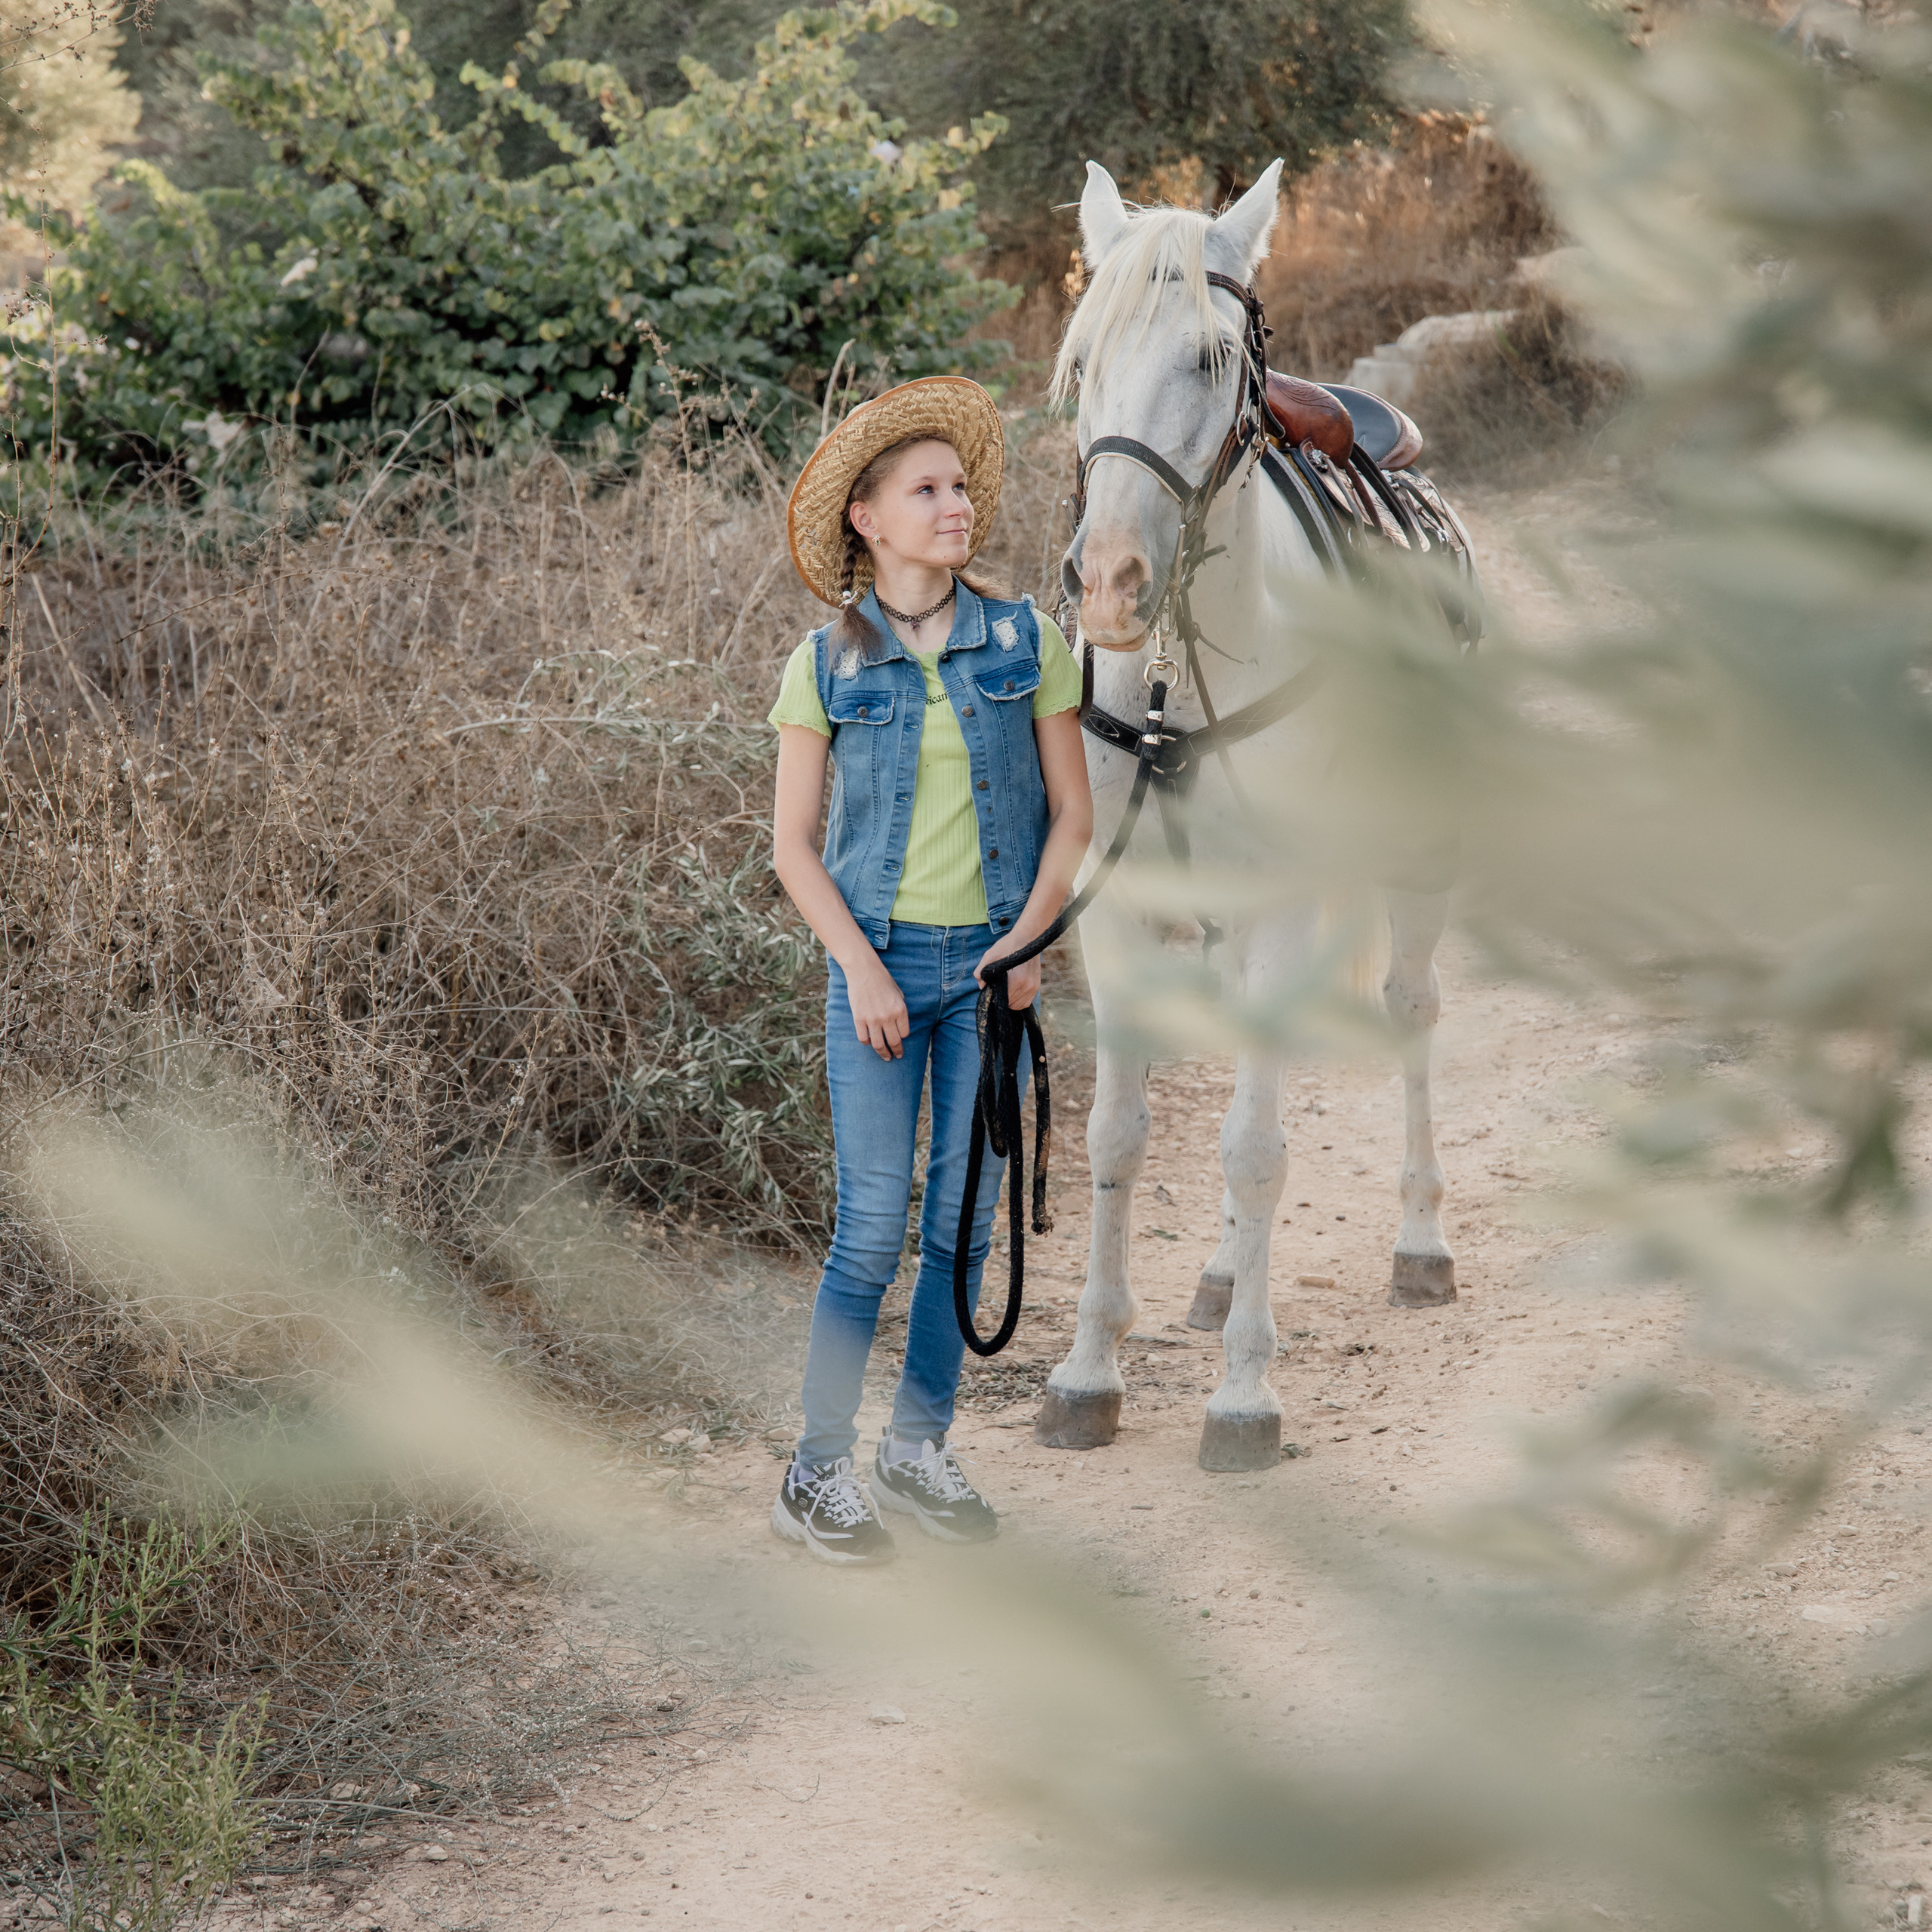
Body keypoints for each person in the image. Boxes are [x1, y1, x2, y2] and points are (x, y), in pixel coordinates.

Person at [767, 377, 1094, 1564]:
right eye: (928, 491)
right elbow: (792, 850)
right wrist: (860, 968)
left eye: (959, 488)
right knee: (868, 1233)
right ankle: (816, 1470)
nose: (956, 507)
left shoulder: (1026, 643)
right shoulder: (826, 664)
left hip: (990, 978)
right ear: (868, 518)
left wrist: (1026, 943)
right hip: (882, 975)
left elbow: (1071, 820)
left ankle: (917, 1447)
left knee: (961, 1228)